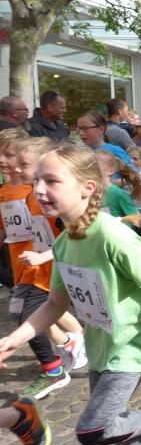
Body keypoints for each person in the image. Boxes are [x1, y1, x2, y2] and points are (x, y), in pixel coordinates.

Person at [0, 143, 141, 445]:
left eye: (51, 181)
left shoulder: (111, 235)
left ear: (87, 188)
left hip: (133, 345)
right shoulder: (64, 242)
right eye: (37, 180)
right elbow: (55, 303)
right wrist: (16, 337)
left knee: (93, 428)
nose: (39, 189)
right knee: (110, 421)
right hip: (102, 344)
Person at [0, 130, 85, 399]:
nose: (14, 166)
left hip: (48, 268)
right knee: (23, 312)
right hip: (29, 267)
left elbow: (73, 234)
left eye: (22, 163)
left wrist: (46, 256)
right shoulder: (24, 196)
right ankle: (72, 342)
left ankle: (56, 366)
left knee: (29, 313)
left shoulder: (49, 198)